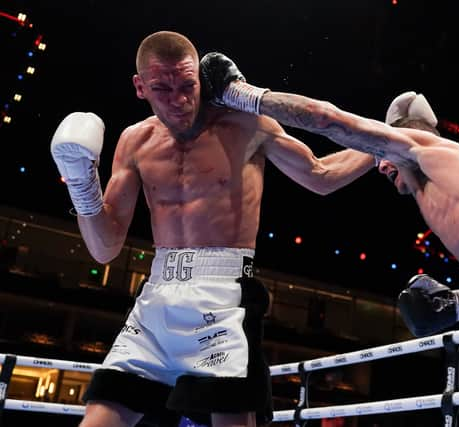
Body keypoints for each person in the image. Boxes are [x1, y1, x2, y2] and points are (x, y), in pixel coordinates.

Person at [197, 52, 459, 426]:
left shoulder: (421, 146)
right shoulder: (450, 184)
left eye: (378, 154)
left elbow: (326, 120)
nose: (377, 167)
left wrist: (239, 94)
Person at [49, 32, 375, 427]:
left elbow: (322, 175)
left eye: (188, 85)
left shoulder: (246, 125)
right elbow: (105, 248)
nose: (178, 99)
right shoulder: (134, 142)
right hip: (156, 299)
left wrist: (390, 144)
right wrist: (83, 187)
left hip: (224, 299)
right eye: (162, 88)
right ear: (140, 87)